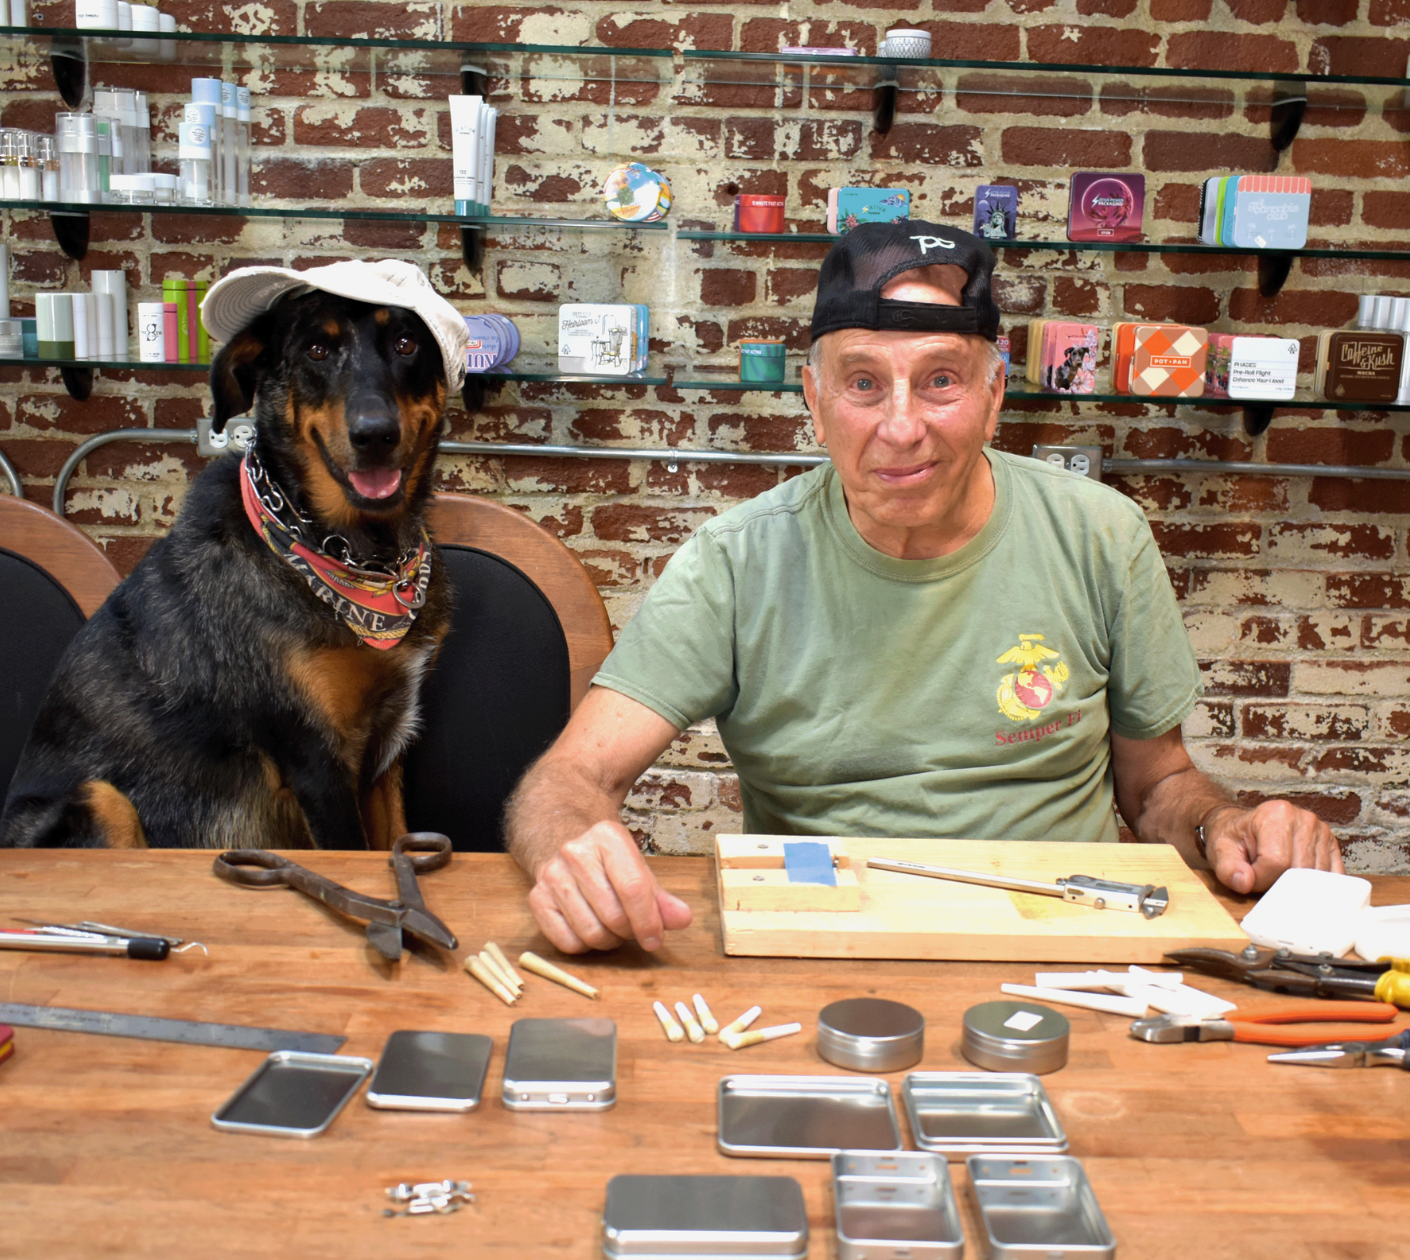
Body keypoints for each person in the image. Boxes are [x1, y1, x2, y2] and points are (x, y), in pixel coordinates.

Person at [505, 220, 1343, 954]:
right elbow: (570, 779)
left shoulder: (1099, 536)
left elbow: (1157, 785)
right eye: (863, 382)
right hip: (828, 940)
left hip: (1069, 932)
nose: (900, 428)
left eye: (940, 379)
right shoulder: (737, 561)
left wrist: (1222, 823)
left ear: (992, 395)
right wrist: (571, 850)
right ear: (814, 398)